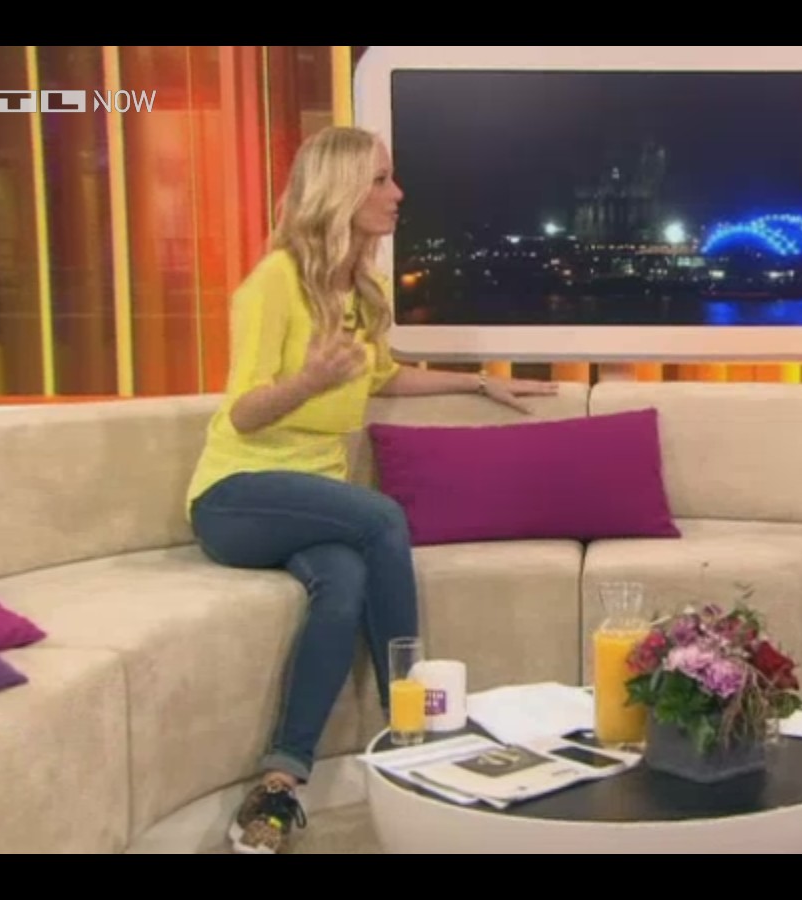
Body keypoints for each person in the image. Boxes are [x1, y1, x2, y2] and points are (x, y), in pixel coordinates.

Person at [184, 125, 557, 854]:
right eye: (382, 180)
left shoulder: (364, 289)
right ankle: (414, 728)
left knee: (345, 584)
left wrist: (480, 381)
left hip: (312, 498)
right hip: (237, 495)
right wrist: (308, 381)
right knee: (382, 518)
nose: (398, 194)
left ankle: (281, 781)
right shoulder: (275, 282)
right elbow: (244, 412)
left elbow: (382, 377)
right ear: (341, 190)